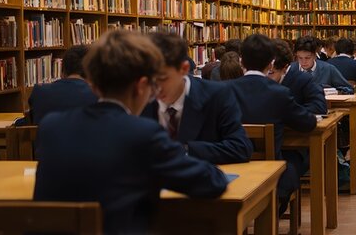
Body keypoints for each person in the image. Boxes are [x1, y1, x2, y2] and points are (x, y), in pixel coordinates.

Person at [34, 30, 227, 234]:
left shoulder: (51, 126)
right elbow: (211, 183)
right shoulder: (143, 134)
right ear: (141, 86)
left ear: (92, 84)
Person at [228, 34, 317, 216]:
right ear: (270, 63)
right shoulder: (279, 93)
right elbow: (308, 123)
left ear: (242, 62)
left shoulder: (223, 90)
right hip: (270, 167)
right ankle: (272, 213)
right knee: (296, 165)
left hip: (233, 165)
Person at [141, 32, 252, 165]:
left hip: (202, 178)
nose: (155, 88)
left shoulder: (217, 95)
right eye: (149, 80)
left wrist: (184, 151)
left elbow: (240, 148)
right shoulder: (141, 98)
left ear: (184, 69)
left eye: (162, 78)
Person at [27, 44, 98, 124]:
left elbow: (29, 122)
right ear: (90, 72)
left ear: (62, 72)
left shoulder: (39, 92)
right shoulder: (97, 96)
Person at [270, 38, 327, 115]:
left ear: (284, 68)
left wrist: (289, 112)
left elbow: (319, 107)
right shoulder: (258, 79)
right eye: (263, 72)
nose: (265, 77)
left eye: (271, 73)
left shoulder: (304, 79)